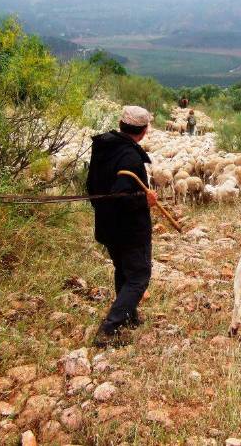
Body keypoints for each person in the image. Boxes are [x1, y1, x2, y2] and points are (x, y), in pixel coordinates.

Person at [86, 105, 158, 347]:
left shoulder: (104, 147)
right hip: (128, 230)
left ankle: (129, 314)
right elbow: (121, 196)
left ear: (121, 125)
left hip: (107, 224)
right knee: (139, 276)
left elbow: (93, 185)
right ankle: (110, 327)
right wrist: (144, 198)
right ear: (144, 130)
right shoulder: (129, 157)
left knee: (124, 269)